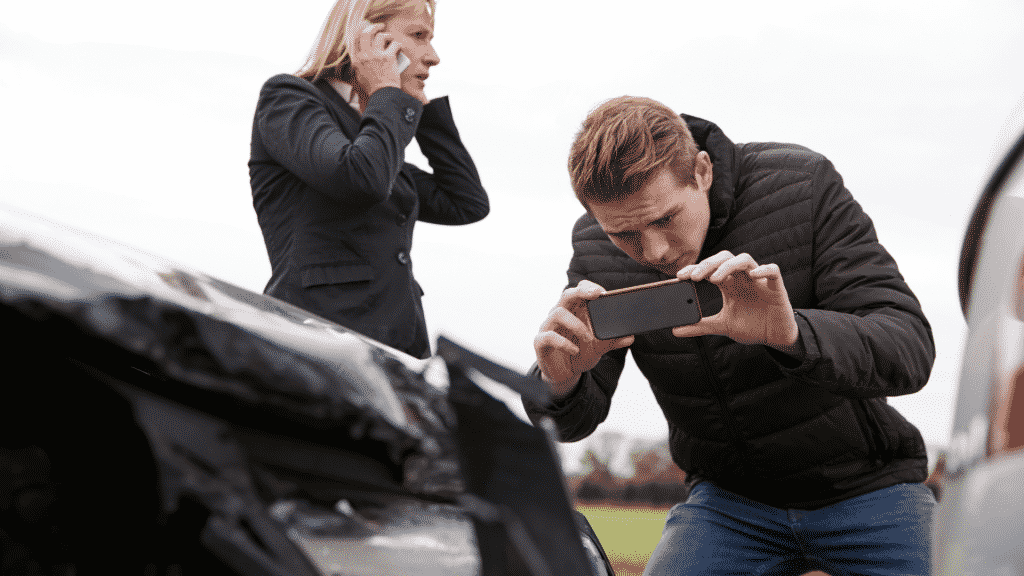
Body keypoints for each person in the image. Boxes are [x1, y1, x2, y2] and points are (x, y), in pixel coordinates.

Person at [525, 96, 936, 576]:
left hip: (869, 489)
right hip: (728, 506)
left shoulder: (802, 187)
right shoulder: (597, 250)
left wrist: (792, 333)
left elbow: (910, 349)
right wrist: (560, 381)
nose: (653, 249)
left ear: (701, 171)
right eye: (625, 233)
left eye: (664, 219)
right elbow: (573, 421)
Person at [248, 0, 488, 359]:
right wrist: (387, 94)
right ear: (367, 35)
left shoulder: (375, 135)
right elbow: (361, 179)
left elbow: (466, 202)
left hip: (400, 348)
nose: (433, 56)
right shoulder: (288, 97)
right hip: (316, 345)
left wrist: (421, 112)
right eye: (419, 35)